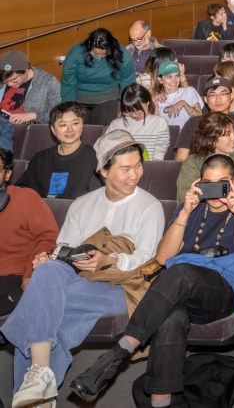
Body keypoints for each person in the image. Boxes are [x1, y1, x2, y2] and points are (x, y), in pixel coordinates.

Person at [70, 153, 234, 407]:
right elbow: (164, 257)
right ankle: (161, 403)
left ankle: (118, 352)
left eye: (223, 184)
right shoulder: (190, 210)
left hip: (222, 292)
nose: (216, 192)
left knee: (181, 271)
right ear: (199, 183)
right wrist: (185, 213)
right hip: (180, 290)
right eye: (208, 184)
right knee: (171, 318)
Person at [4, 131, 163, 408]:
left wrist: (108, 260)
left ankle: (38, 378)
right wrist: (49, 259)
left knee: (37, 308)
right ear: (103, 170)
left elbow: (148, 260)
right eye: (125, 168)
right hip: (79, 282)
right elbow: (63, 248)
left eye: (138, 165)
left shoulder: (149, 206)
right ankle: (41, 380)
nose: (134, 174)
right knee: (50, 282)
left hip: (121, 289)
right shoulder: (82, 204)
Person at [0, 147, 59, 315]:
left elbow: (48, 239)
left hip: (13, 277)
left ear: (7, 174)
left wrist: (30, 274)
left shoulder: (26, 198)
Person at [17, 102, 101, 199]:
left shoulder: (94, 157)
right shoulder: (40, 158)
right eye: (63, 125)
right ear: (53, 129)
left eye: (75, 123)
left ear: (82, 125)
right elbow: (22, 191)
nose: (70, 130)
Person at [175, 111, 234, 201]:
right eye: (228, 134)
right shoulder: (192, 162)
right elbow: (185, 199)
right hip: (203, 214)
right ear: (211, 139)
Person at [172, 75, 234, 161]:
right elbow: (181, 158)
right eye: (212, 95)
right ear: (206, 99)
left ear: (231, 96)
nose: (218, 99)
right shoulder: (193, 122)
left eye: (223, 94)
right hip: (195, 170)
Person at [60, 28, 137, 106]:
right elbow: (68, 82)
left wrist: (124, 105)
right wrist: (68, 107)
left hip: (109, 98)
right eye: (95, 53)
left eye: (103, 54)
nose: (99, 57)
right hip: (80, 98)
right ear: (89, 47)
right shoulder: (76, 52)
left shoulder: (121, 52)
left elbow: (128, 81)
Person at [107, 83, 170, 162]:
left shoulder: (159, 123)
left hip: (149, 168)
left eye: (138, 112)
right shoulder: (116, 124)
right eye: (130, 112)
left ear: (147, 103)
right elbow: (106, 150)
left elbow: (159, 156)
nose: (134, 115)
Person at [1, 48, 62, 126]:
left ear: (26, 69)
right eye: (6, 81)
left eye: (14, 79)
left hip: (29, 133)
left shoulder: (49, 83)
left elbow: (59, 115)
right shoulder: (3, 80)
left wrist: (33, 115)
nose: (9, 84)